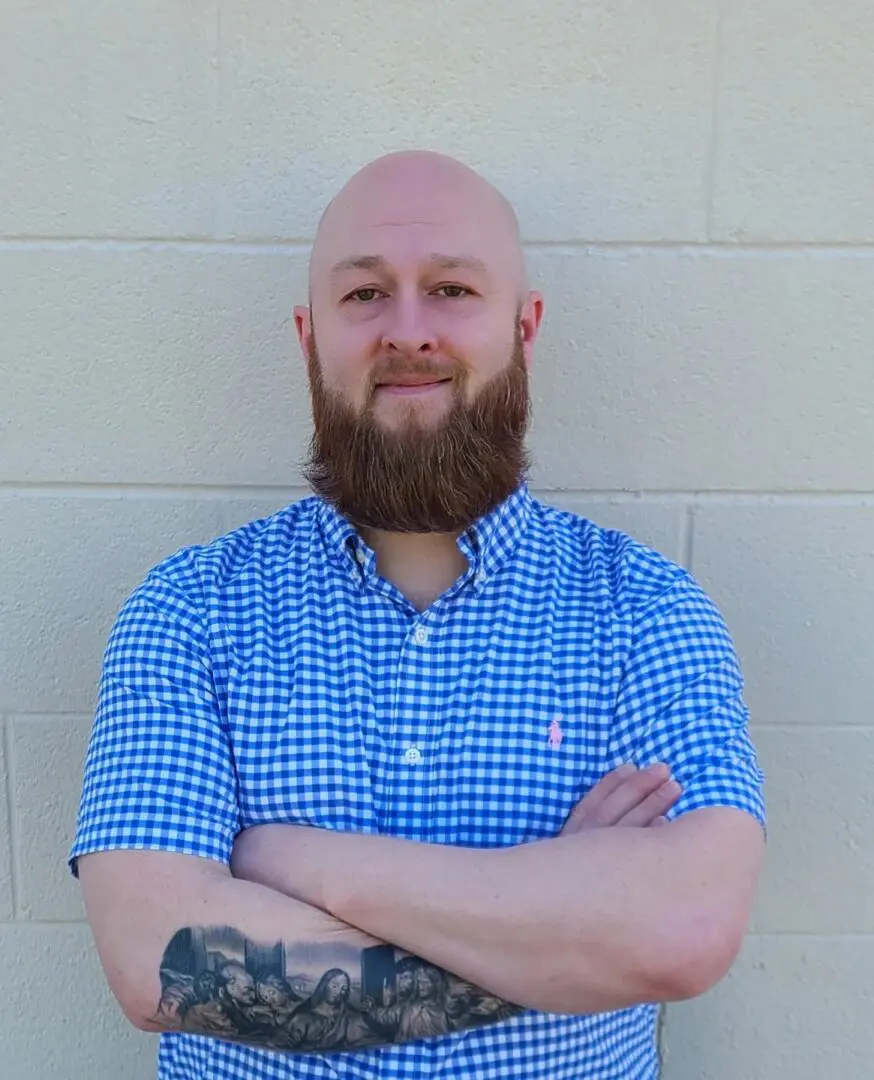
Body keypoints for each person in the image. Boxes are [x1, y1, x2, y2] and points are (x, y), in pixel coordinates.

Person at [70, 150, 766, 1080]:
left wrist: (302, 862)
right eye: (364, 296)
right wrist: (563, 931)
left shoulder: (645, 610)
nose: (408, 331)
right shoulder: (189, 611)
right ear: (308, 335)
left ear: (524, 326)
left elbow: (684, 932)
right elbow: (165, 969)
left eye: (449, 289)